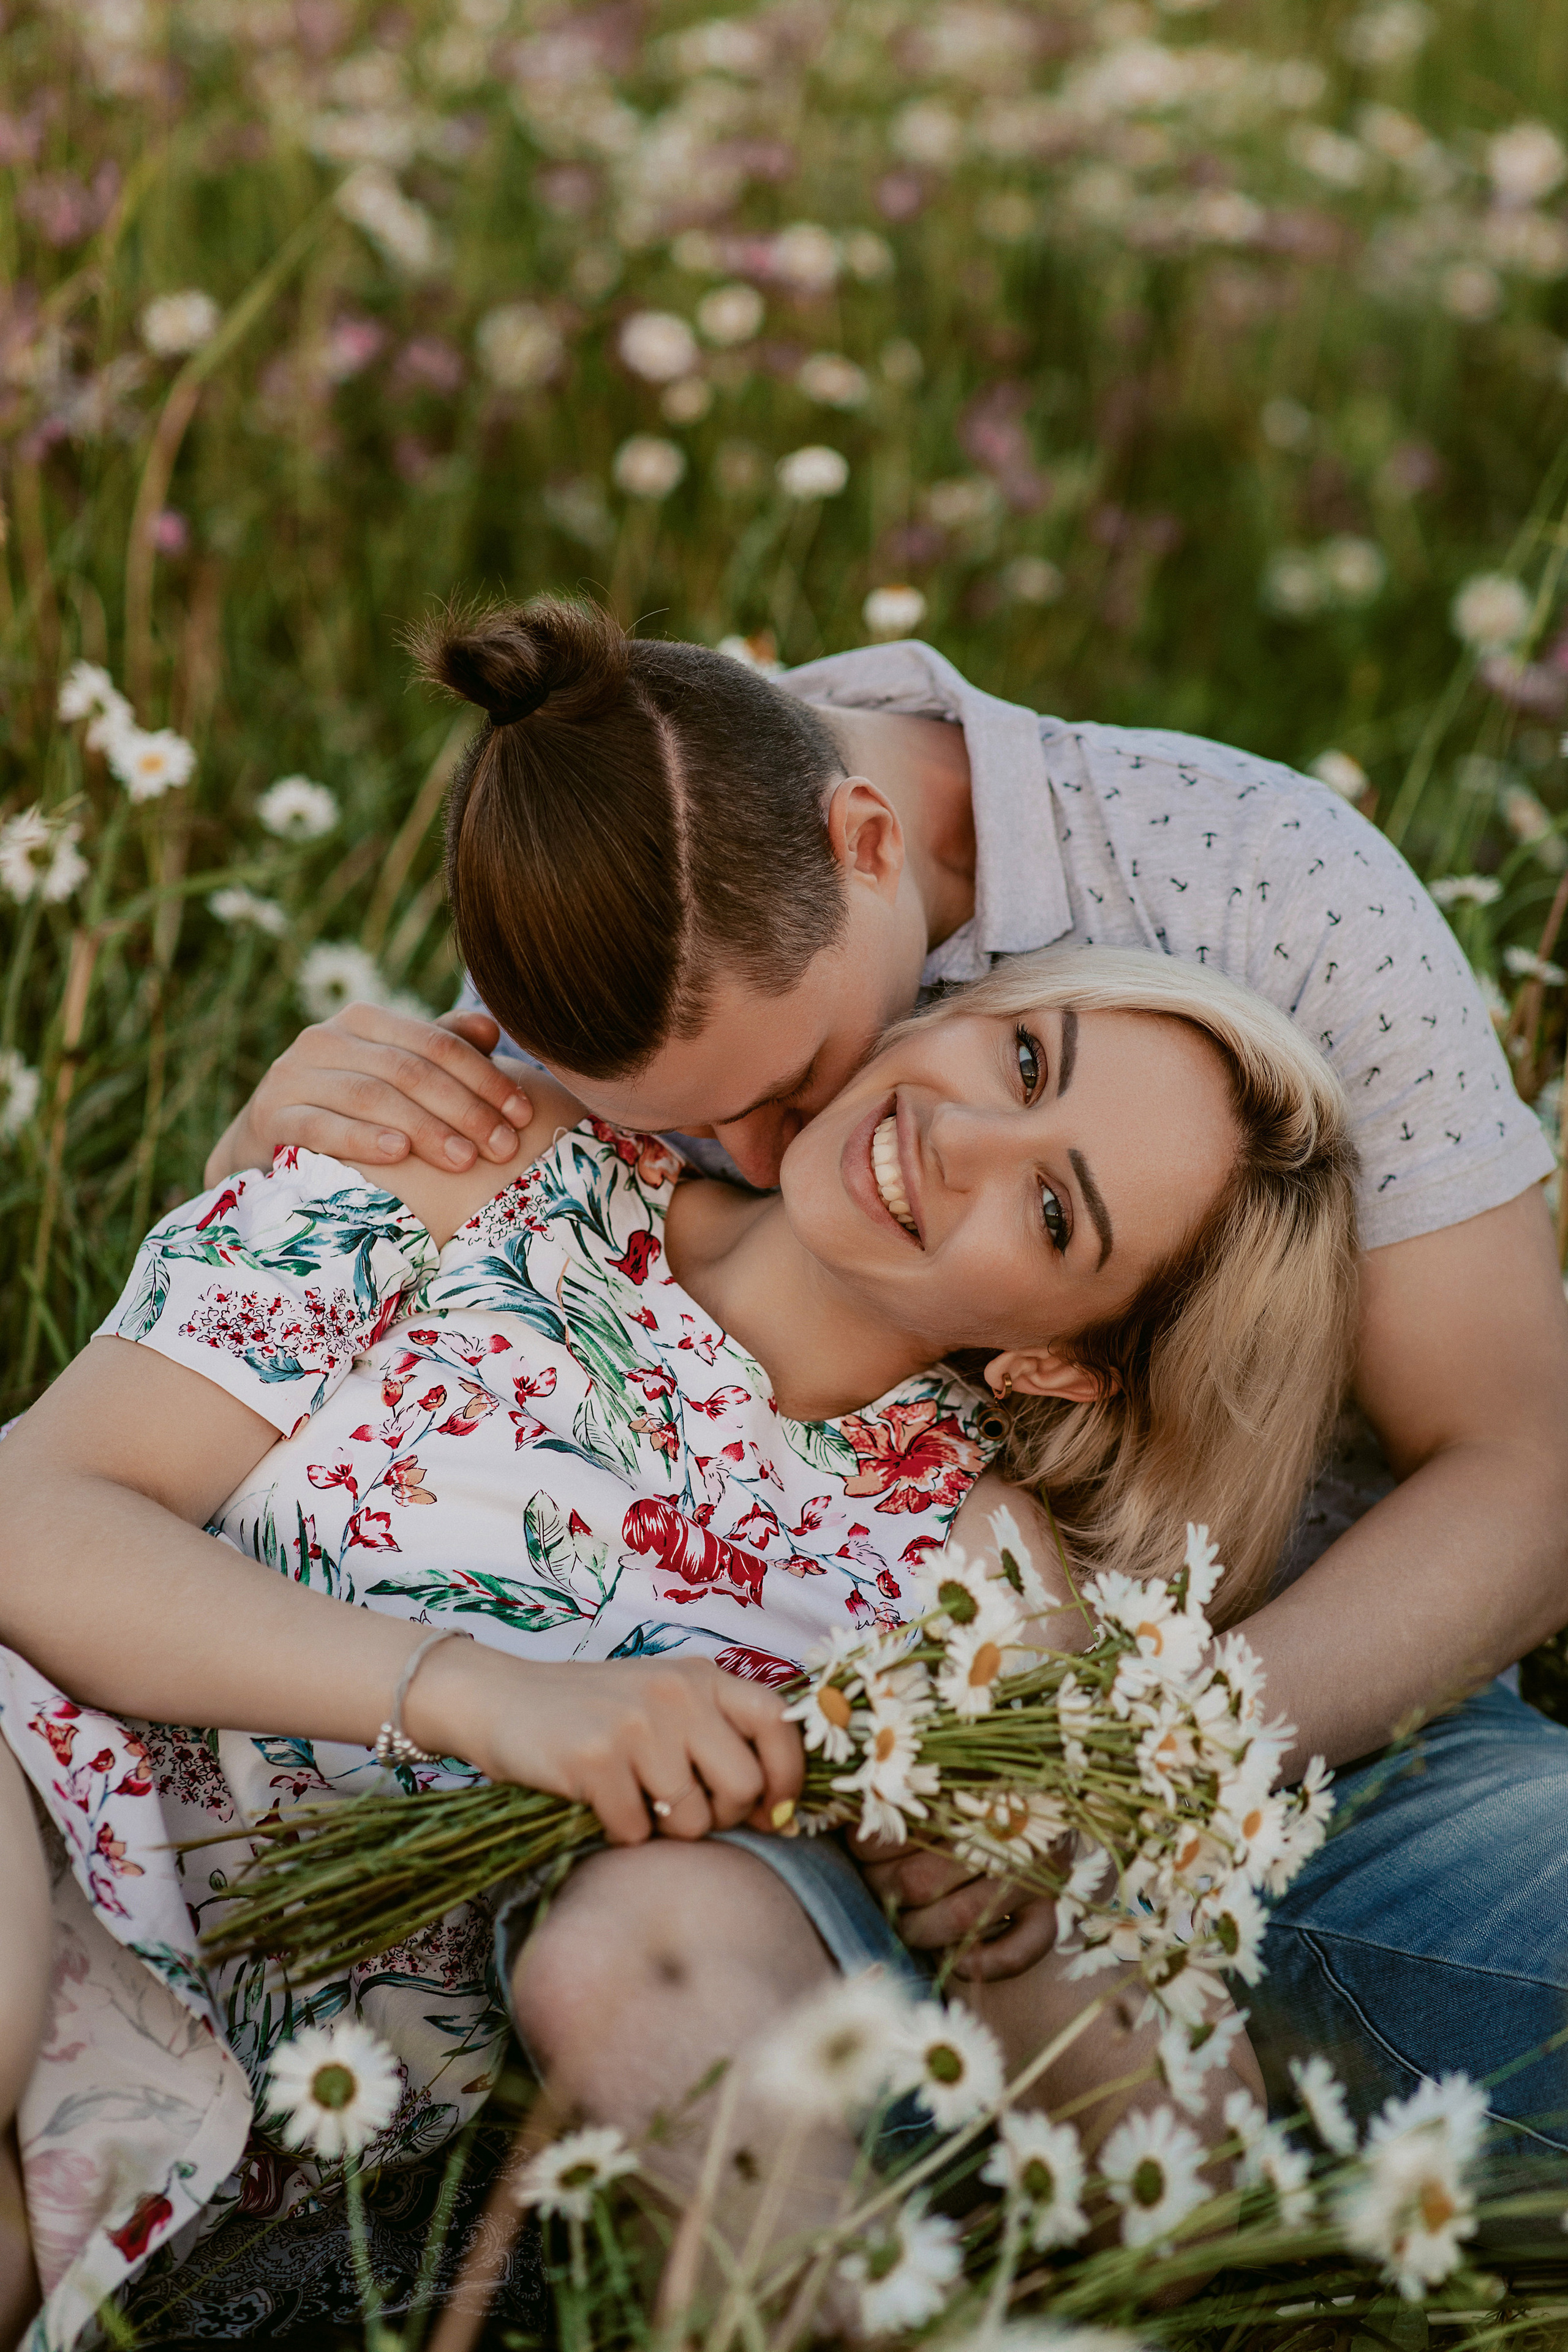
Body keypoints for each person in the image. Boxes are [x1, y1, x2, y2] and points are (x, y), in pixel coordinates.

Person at [208, 600, 1568, 2143]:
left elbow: (1523, 1475)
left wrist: (1101, 1760)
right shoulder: (631, 893)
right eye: (697, 1126)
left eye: (790, 1087)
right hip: (791, 1814)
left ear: (868, 845)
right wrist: (257, 1172)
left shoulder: (1255, 877)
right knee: (666, 1972)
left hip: (1320, 1742)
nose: (767, 1157)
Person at [0, 941, 1357, 2349]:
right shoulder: (479, 1154)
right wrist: (479, 1700)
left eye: (1052, 1208)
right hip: (45, 1789)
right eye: (1023, 1061)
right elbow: (37, 1510)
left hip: (284, 2112)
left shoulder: (970, 1576)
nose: (957, 1138)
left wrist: (1023, 1902)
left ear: (1056, 1363)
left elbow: (1177, 2184)